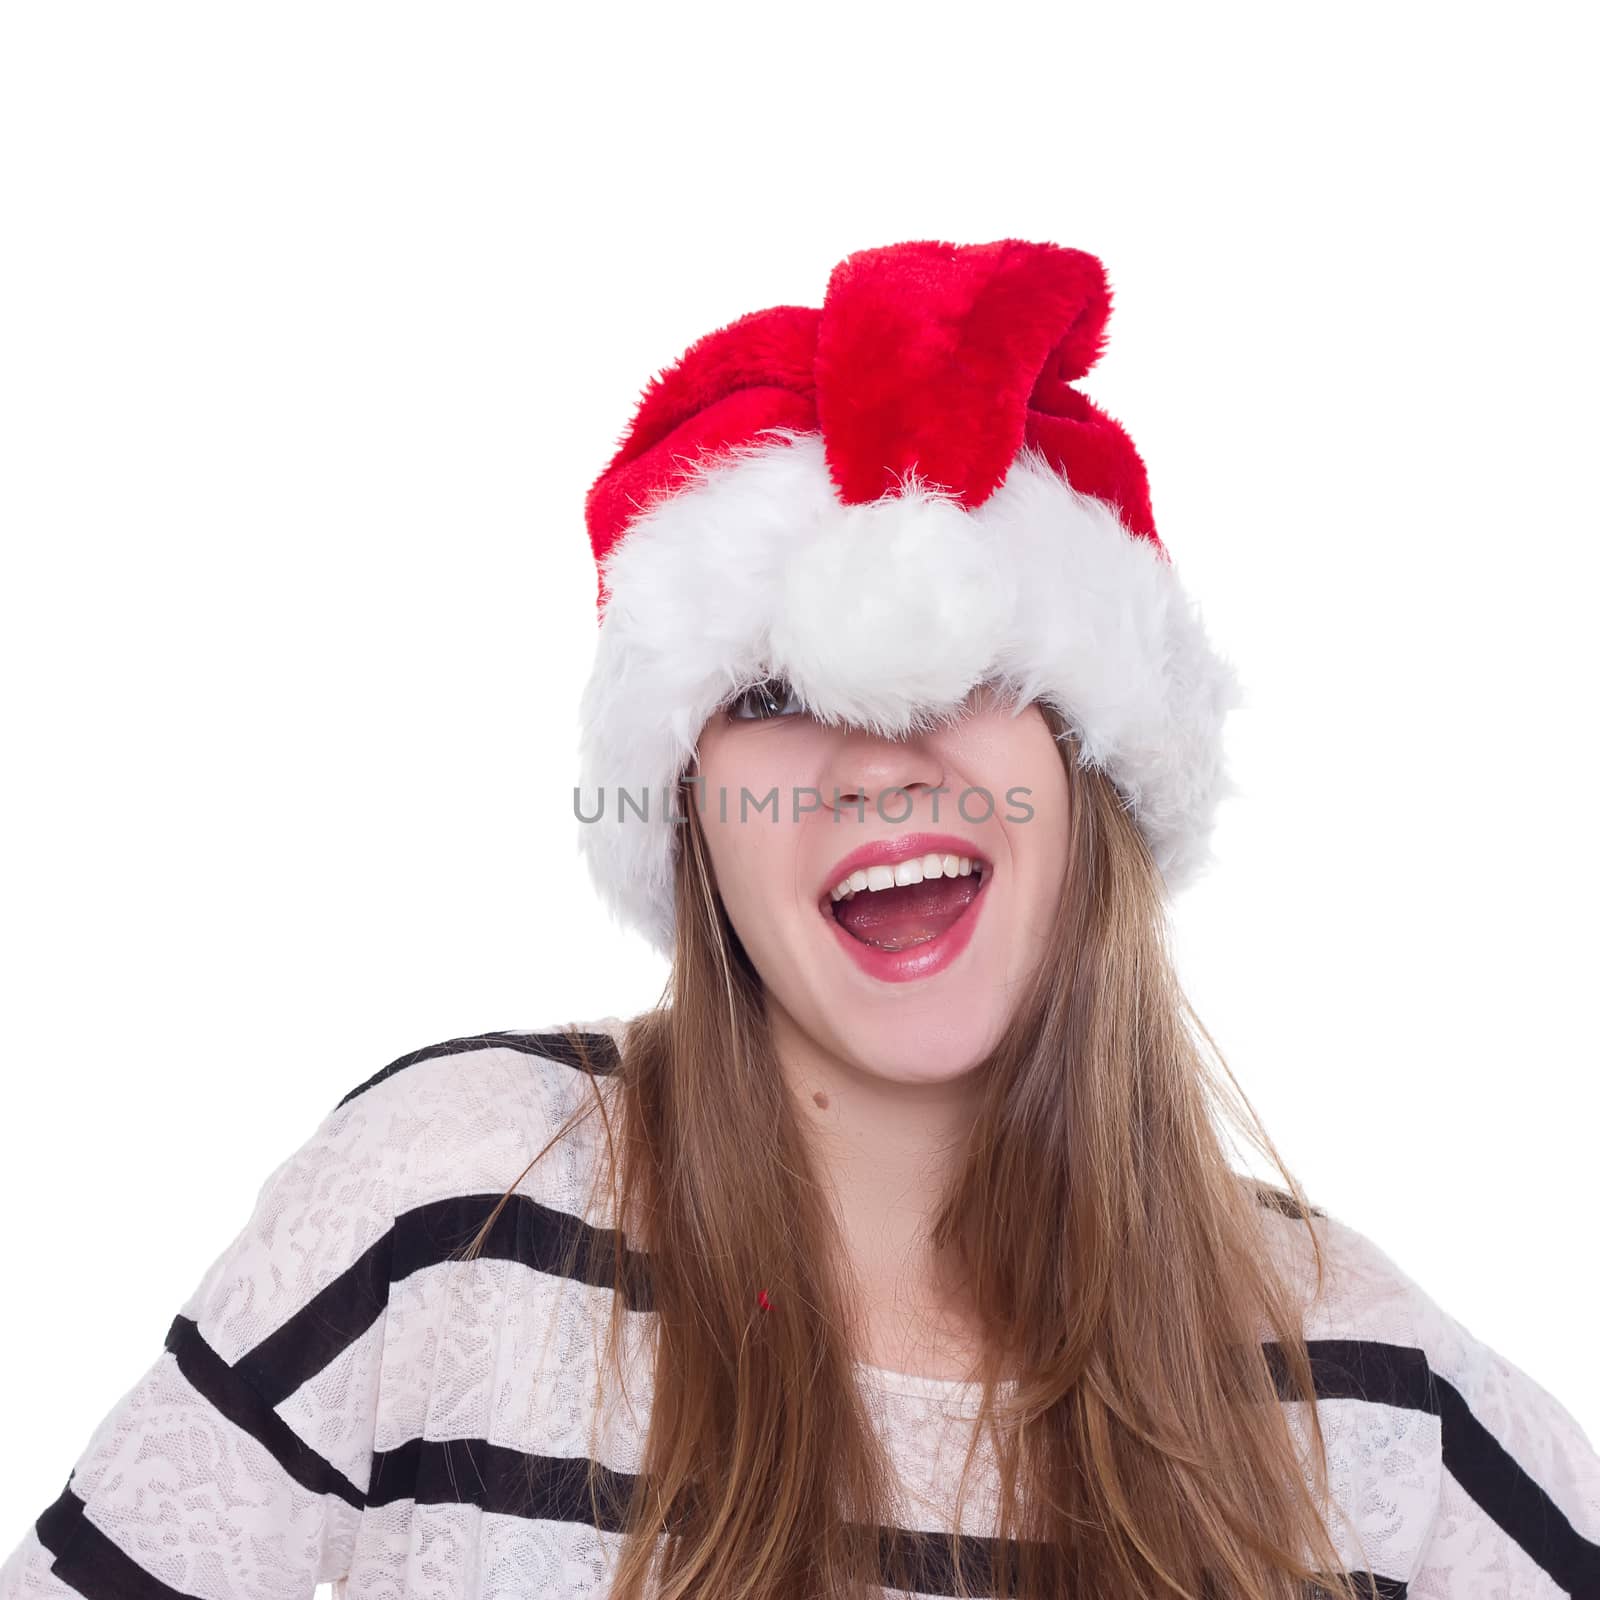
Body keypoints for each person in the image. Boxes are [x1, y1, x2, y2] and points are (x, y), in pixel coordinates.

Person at [3, 238, 1596, 1600]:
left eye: (967, 673)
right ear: (692, 816)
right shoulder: (450, 1221)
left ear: (1089, 763)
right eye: (772, 698)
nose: (878, 768)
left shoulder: (1363, 1397)